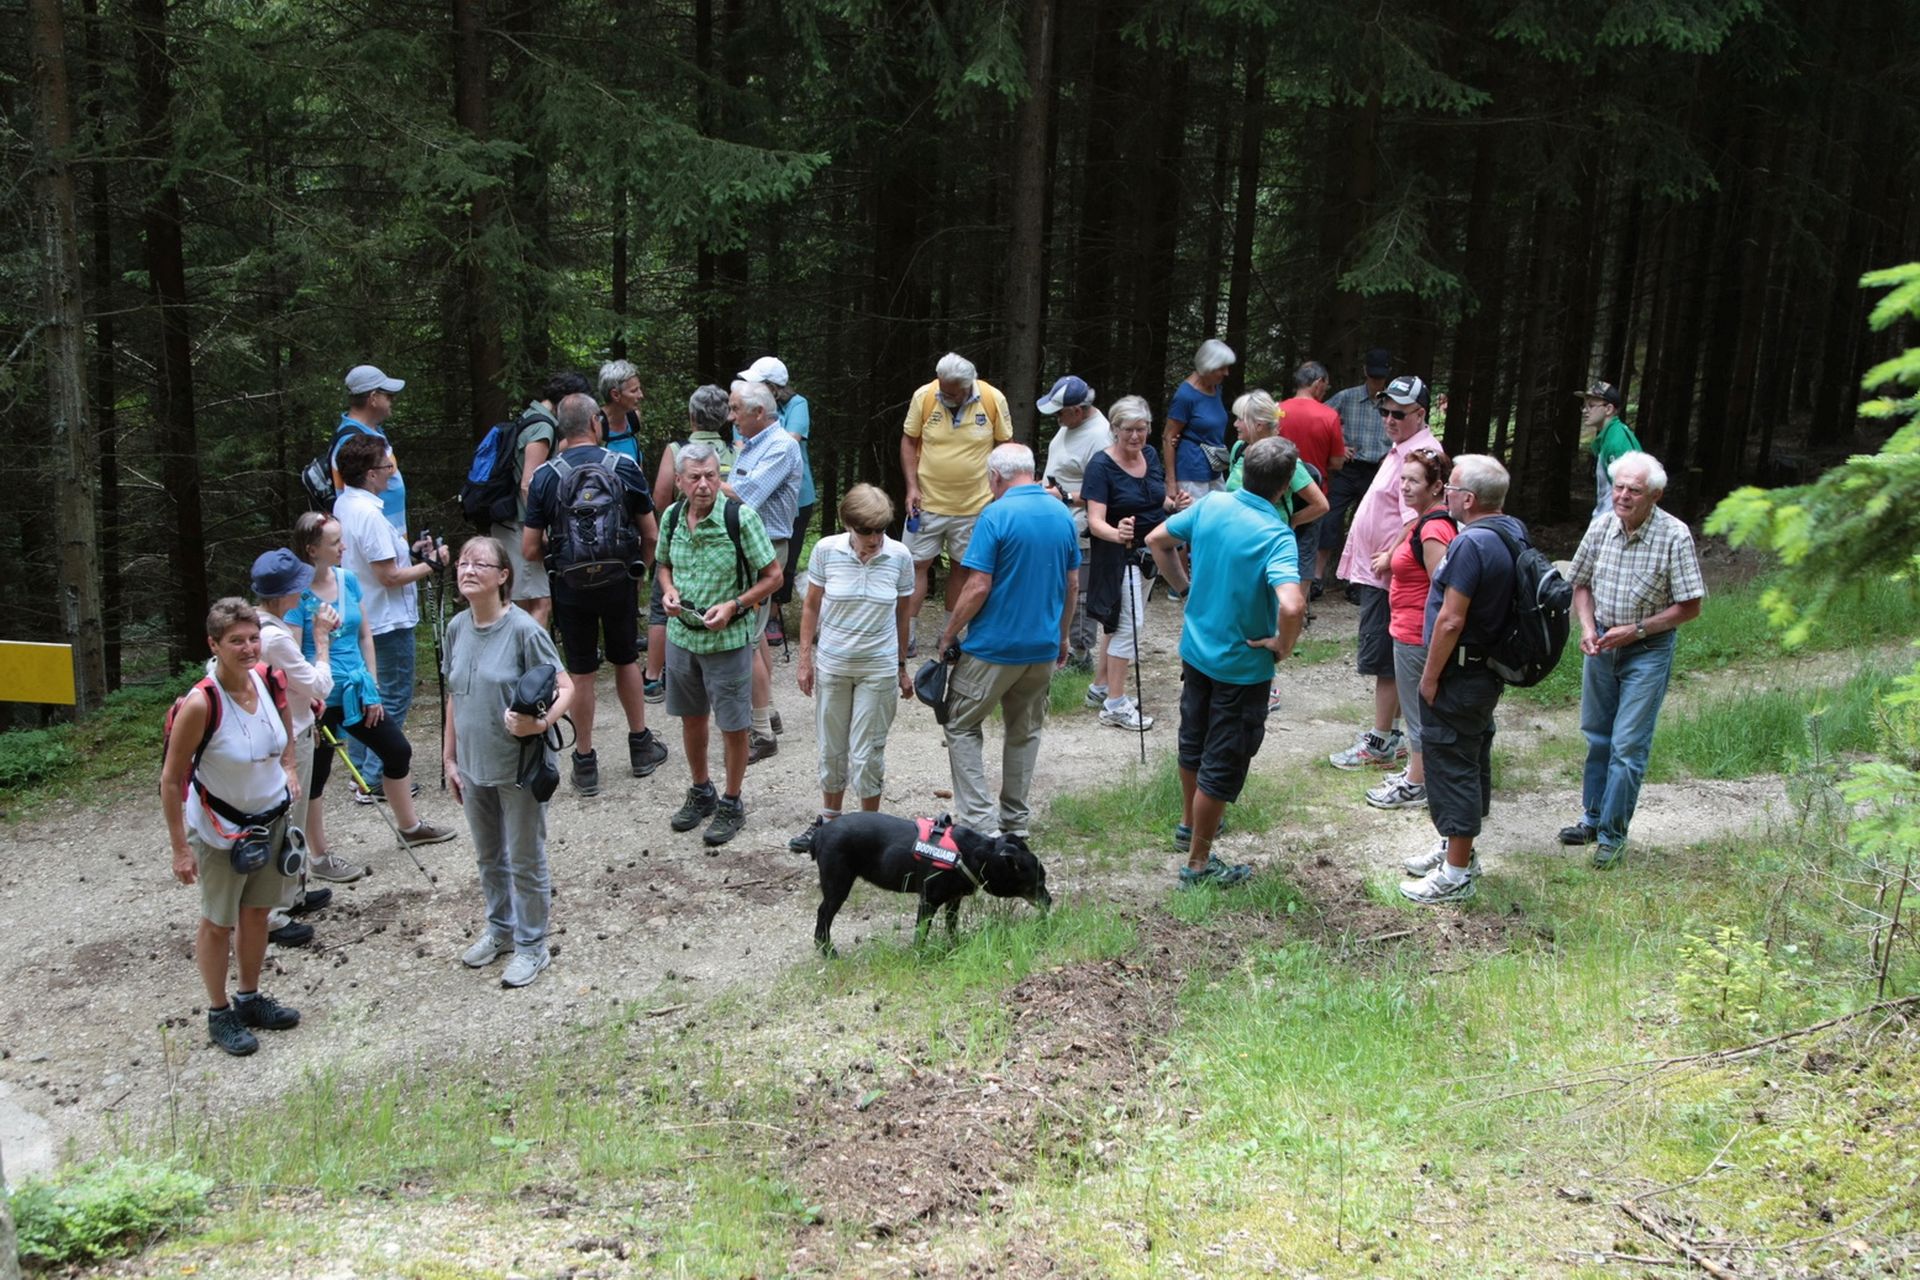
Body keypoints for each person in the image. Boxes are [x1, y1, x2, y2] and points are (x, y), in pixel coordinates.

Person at [1145, 437, 1308, 887]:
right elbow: (1292, 604)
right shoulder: (1276, 535)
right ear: (1284, 487)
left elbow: (1157, 540)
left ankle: (1188, 824)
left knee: (1194, 741)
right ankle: (1198, 864)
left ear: (1244, 471)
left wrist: (1183, 589)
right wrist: (1283, 644)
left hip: (1196, 652)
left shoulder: (1212, 505)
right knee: (1222, 760)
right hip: (1242, 667)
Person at [161, 599, 306, 1056]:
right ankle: (219, 1011)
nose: (248, 648)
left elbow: (286, 728)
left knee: (257, 913)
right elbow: (171, 779)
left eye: (253, 638)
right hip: (220, 830)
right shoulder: (201, 703)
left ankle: (249, 996)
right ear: (214, 645)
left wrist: (290, 767)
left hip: (270, 821)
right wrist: (180, 849)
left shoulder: (267, 679)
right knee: (217, 922)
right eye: (236, 641)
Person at [442, 535, 575, 989]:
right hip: (473, 765)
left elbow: (566, 687)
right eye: (463, 562)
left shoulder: (523, 630)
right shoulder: (457, 628)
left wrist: (540, 724)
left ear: (503, 576)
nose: (467, 570)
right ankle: (500, 930)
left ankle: (532, 945)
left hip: (520, 767)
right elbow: (454, 695)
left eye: (479, 564)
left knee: (524, 858)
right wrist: (449, 759)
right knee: (488, 856)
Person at [1561, 451, 1705, 868]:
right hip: (1602, 643)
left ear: (1655, 495)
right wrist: (1587, 627)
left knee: (1627, 746)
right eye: (1618, 487)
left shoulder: (1674, 535)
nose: (1622, 496)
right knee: (1597, 736)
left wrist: (1638, 630)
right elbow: (1580, 583)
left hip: (1647, 649)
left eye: (1634, 490)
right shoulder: (1602, 526)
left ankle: (1612, 835)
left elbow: (1690, 606)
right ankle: (1592, 819)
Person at [1399, 454, 1529, 905]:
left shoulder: (1471, 544)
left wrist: (1430, 677)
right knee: (1471, 760)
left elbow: (1451, 619)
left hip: (1460, 672)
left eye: (1451, 489)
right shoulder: (1511, 531)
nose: (1447, 495)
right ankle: (1457, 850)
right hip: (1485, 670)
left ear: (1469, 499)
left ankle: (1455, 874)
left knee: (1452, 764)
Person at [522, 392, 667, 795]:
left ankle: (585, 763)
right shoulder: (623, 466)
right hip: (619, 581)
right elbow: (651, 534)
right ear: (594, 423)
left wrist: (562, 556)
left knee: (581, 671)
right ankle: (640, 746)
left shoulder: (545, 477)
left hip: (570, 587)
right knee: (626, 659)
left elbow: (529, 548)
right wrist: (638, 572)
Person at [934, 443, 1078, 839]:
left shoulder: (995, 514)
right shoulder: (1062, 515)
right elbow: (1072, 584)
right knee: (1024, 732)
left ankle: (980, 824)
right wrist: (1062, 636)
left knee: (960, 724)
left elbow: (978, 585)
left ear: (995, 477)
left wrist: (949, 633)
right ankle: (1015, 822)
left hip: (993, 649)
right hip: (1042, 648)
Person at [327, 435, 459, 841]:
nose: (392, 474)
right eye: (387, 468)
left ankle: (364, 772)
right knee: (393, 695)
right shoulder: (368, 514)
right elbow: (389, 576)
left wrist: (411, 552)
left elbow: (379, 560)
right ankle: (376, 776)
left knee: (363, 691)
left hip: (363, 613)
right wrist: (433, 564)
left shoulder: (345, 504)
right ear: (371, 474)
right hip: (386, 619)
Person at [657, 441, 782, 846]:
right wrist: (668, 591)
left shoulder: (740, 518)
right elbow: (663, 565)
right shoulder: (672, 517)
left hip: (728, 640)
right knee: (691, 718)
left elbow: (774, 576)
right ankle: (701, 790)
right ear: (680, 481)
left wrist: (735, 605)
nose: (704, 485)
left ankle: (732, 801)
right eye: (694, 477)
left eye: (711, 476)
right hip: (682, 638)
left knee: (733, 725)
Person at [788, 484, 916, 854]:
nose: (874, 538)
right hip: (833, 665)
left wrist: (902, 667)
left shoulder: (900, 556)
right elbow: (811, 606)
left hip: (878, 668)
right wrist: (805, 659)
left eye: (880, 529)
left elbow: (902, 614)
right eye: (865, 530)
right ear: (848, 524)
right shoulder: (826, 550)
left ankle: (868, 835)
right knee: (831, 749)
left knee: (867, 755)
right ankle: (830, 826)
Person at [1330, 375, 1440, 770]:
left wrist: (1391, 555)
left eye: (1399, 413)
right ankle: (1390, 735)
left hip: (1391, 575)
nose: (1389, 419)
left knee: (1385, 660)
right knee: (1390, 657)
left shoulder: (1422, 455)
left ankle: (1380, 740)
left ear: (1420, 414)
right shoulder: (1402, 449)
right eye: (1385, 411)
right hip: (1380, 572)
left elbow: (1420, 517)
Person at [1081, 395, 1190, 731]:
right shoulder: (1101, 466)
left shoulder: (1150, 455)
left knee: (1119, 624)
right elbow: (1094, 521)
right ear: (1114, 429)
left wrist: (1174, 505)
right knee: (1129, 626)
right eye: (1128, 429)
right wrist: (1117, 533)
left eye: (1141, 429)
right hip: (1119, 557)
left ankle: (1101, 687)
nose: (1135, 436)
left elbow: (1157, 499)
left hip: (1150, 555)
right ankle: (1115, 705)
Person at [250, 548, 336, 948]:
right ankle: (272, 914)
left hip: (290, 728)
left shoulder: (260, 626)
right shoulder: (274, 637)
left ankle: (292, 893)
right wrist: (322, 640)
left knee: (292, 820)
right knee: (284, 822)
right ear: (288, 592)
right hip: (289, 738)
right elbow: (319, 684)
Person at [1364, 447, 1457, 813]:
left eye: (1414, 481)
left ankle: (1417, 785)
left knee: (1419, 714)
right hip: (1408, 630)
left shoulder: (1433, 529)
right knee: (1418, 709)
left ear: (1436, 487)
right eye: (1402, 479)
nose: (1404, 486)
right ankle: (1417, 773)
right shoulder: (1424, 521)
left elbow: (1444, 587)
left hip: (1418, 634)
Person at [900, 352, 1014, 646]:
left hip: (975, 506)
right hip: (926, 503)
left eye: (950, 393)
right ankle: (906, 635)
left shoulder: (992, 399)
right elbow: (909, 440)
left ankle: (948, 635)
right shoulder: (925, 396)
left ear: (966, 386)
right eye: (941, 388)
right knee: (915, 566)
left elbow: (1006, 447)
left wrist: (1001, 495)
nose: (943, 395)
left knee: (962, 569)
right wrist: (911, 487)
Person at [722, 377, 804, 763]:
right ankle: (767, 713)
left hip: (766, 550)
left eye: (736, 409)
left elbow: (746, 495)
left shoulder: (781, 446)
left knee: (748, 639)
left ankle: (761, 734)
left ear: (758, 412)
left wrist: (700, 480)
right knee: (755, 637)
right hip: (752, 548)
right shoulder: (754, 444)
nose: (731, 416)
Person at [644, 385, 735, 702]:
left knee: (663, 606)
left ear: (691, 415)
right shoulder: (735, 449)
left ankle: (653, 678)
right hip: (725, 540)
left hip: (684, 536)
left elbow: (659, 498)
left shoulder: (677, 449)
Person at [496, 372, 590, 628]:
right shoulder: (543, 426)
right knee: (539, 603)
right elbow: (528, 483)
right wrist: (540, 529)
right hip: (520, 525)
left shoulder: (531, 416)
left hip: (511, 523)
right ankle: (532, 654)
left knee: (524, 602)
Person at [1038, 374, 1113, 671]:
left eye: (1060, 412)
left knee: (1079, 591)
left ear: (1078, 410)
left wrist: (1065, 496)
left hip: (1081, 528)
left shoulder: (1100, 437)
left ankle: (1080, 655)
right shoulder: (1069, 426)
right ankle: (1061, 647)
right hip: (1059, 525)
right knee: (1060, 587)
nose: (1056, 418)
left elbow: (1106, 491)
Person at [740, 356, 814, 645]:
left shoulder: (797, 404)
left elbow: (789, 441)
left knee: (787, 556)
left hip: (795, 496)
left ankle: (773, 613)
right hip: (757, 490)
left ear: (772, 387)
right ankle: (755, 608)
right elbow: (741, 443)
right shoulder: (746, 408)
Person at [1320, 348, 1393, 585]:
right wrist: (1338, 446)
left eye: (1380, 377)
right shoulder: (1346, 397)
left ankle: (1360, 582)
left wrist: (1392, 456)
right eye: (1373, 376)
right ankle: (1318, 578)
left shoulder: (1393, 403)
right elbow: (1321, 419)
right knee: (1329, 518)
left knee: (1370, 526)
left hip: (1378, 472)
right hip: (1348, 469)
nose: (1376, 382)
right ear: (1365, 372)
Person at [1277, 361, 1346, 595]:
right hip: (1313, 494)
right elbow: (1337, 462)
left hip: (1278, 490)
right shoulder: (1329, 415)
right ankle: (1299, 605)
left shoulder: (1277, 410)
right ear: (1318, 383)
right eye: (1326, 386)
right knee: (1305, 552)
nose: (1325, 391)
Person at [329, 364, 409, 535]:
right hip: (374, 537)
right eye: (388, 396)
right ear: (373, 398)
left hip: (389, 535)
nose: (392, 400)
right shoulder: (352, 440)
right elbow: (356, 497)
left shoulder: (372, 431)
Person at [1162, 339, 1236, 499]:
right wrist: (1171, 482)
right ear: (1208, 365)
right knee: (1196, 515)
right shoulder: (1185, 396)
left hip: (1215, 468)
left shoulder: (1216, 388)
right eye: (1222, 368)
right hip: (1191, 472)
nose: (1226, 373)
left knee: (1219, 513)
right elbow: (1168, 438)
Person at [1577, 380, 1643, 521]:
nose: (1584, 411)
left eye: (1591, 406)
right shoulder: (1610, 435)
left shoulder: (1615, 442)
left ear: (1608, 409)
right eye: (1584, 406)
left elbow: (1630, 491)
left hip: (1614, 520)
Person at [596, 359, 648, 470]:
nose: (641, 395)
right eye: (634, 391)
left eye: (639, 389)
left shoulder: (634, 418)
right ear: (615, 395)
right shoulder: (596, 424)